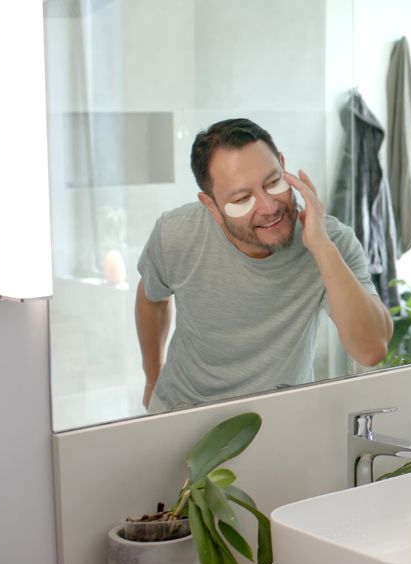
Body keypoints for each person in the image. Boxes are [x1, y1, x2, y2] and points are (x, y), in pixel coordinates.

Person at [136, 118, 392, 412]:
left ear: (283, 165)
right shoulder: (176, 234)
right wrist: (152, 376)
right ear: (211, 207)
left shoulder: (331, 240)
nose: (269, 207)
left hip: (281, 415)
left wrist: (321, 247)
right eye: (242, 198)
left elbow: (372, 349)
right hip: (182, 408)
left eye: (273, 182)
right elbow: (152, 298)